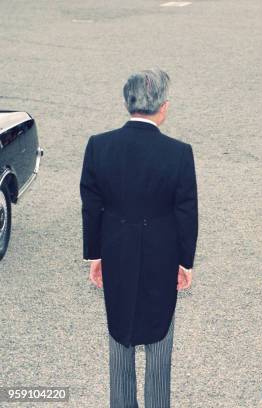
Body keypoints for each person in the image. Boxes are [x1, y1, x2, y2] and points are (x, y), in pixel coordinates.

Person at [80, 69, 198, 408]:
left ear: (127, 103)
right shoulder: (178, 153)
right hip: (163, 253)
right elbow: (186, 211)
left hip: (116, 249)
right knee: (160, 342)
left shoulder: (99, 146)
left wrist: (95, 254)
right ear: (163, 107)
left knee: (120, 339)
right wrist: (184, 262)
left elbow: (92, 205)